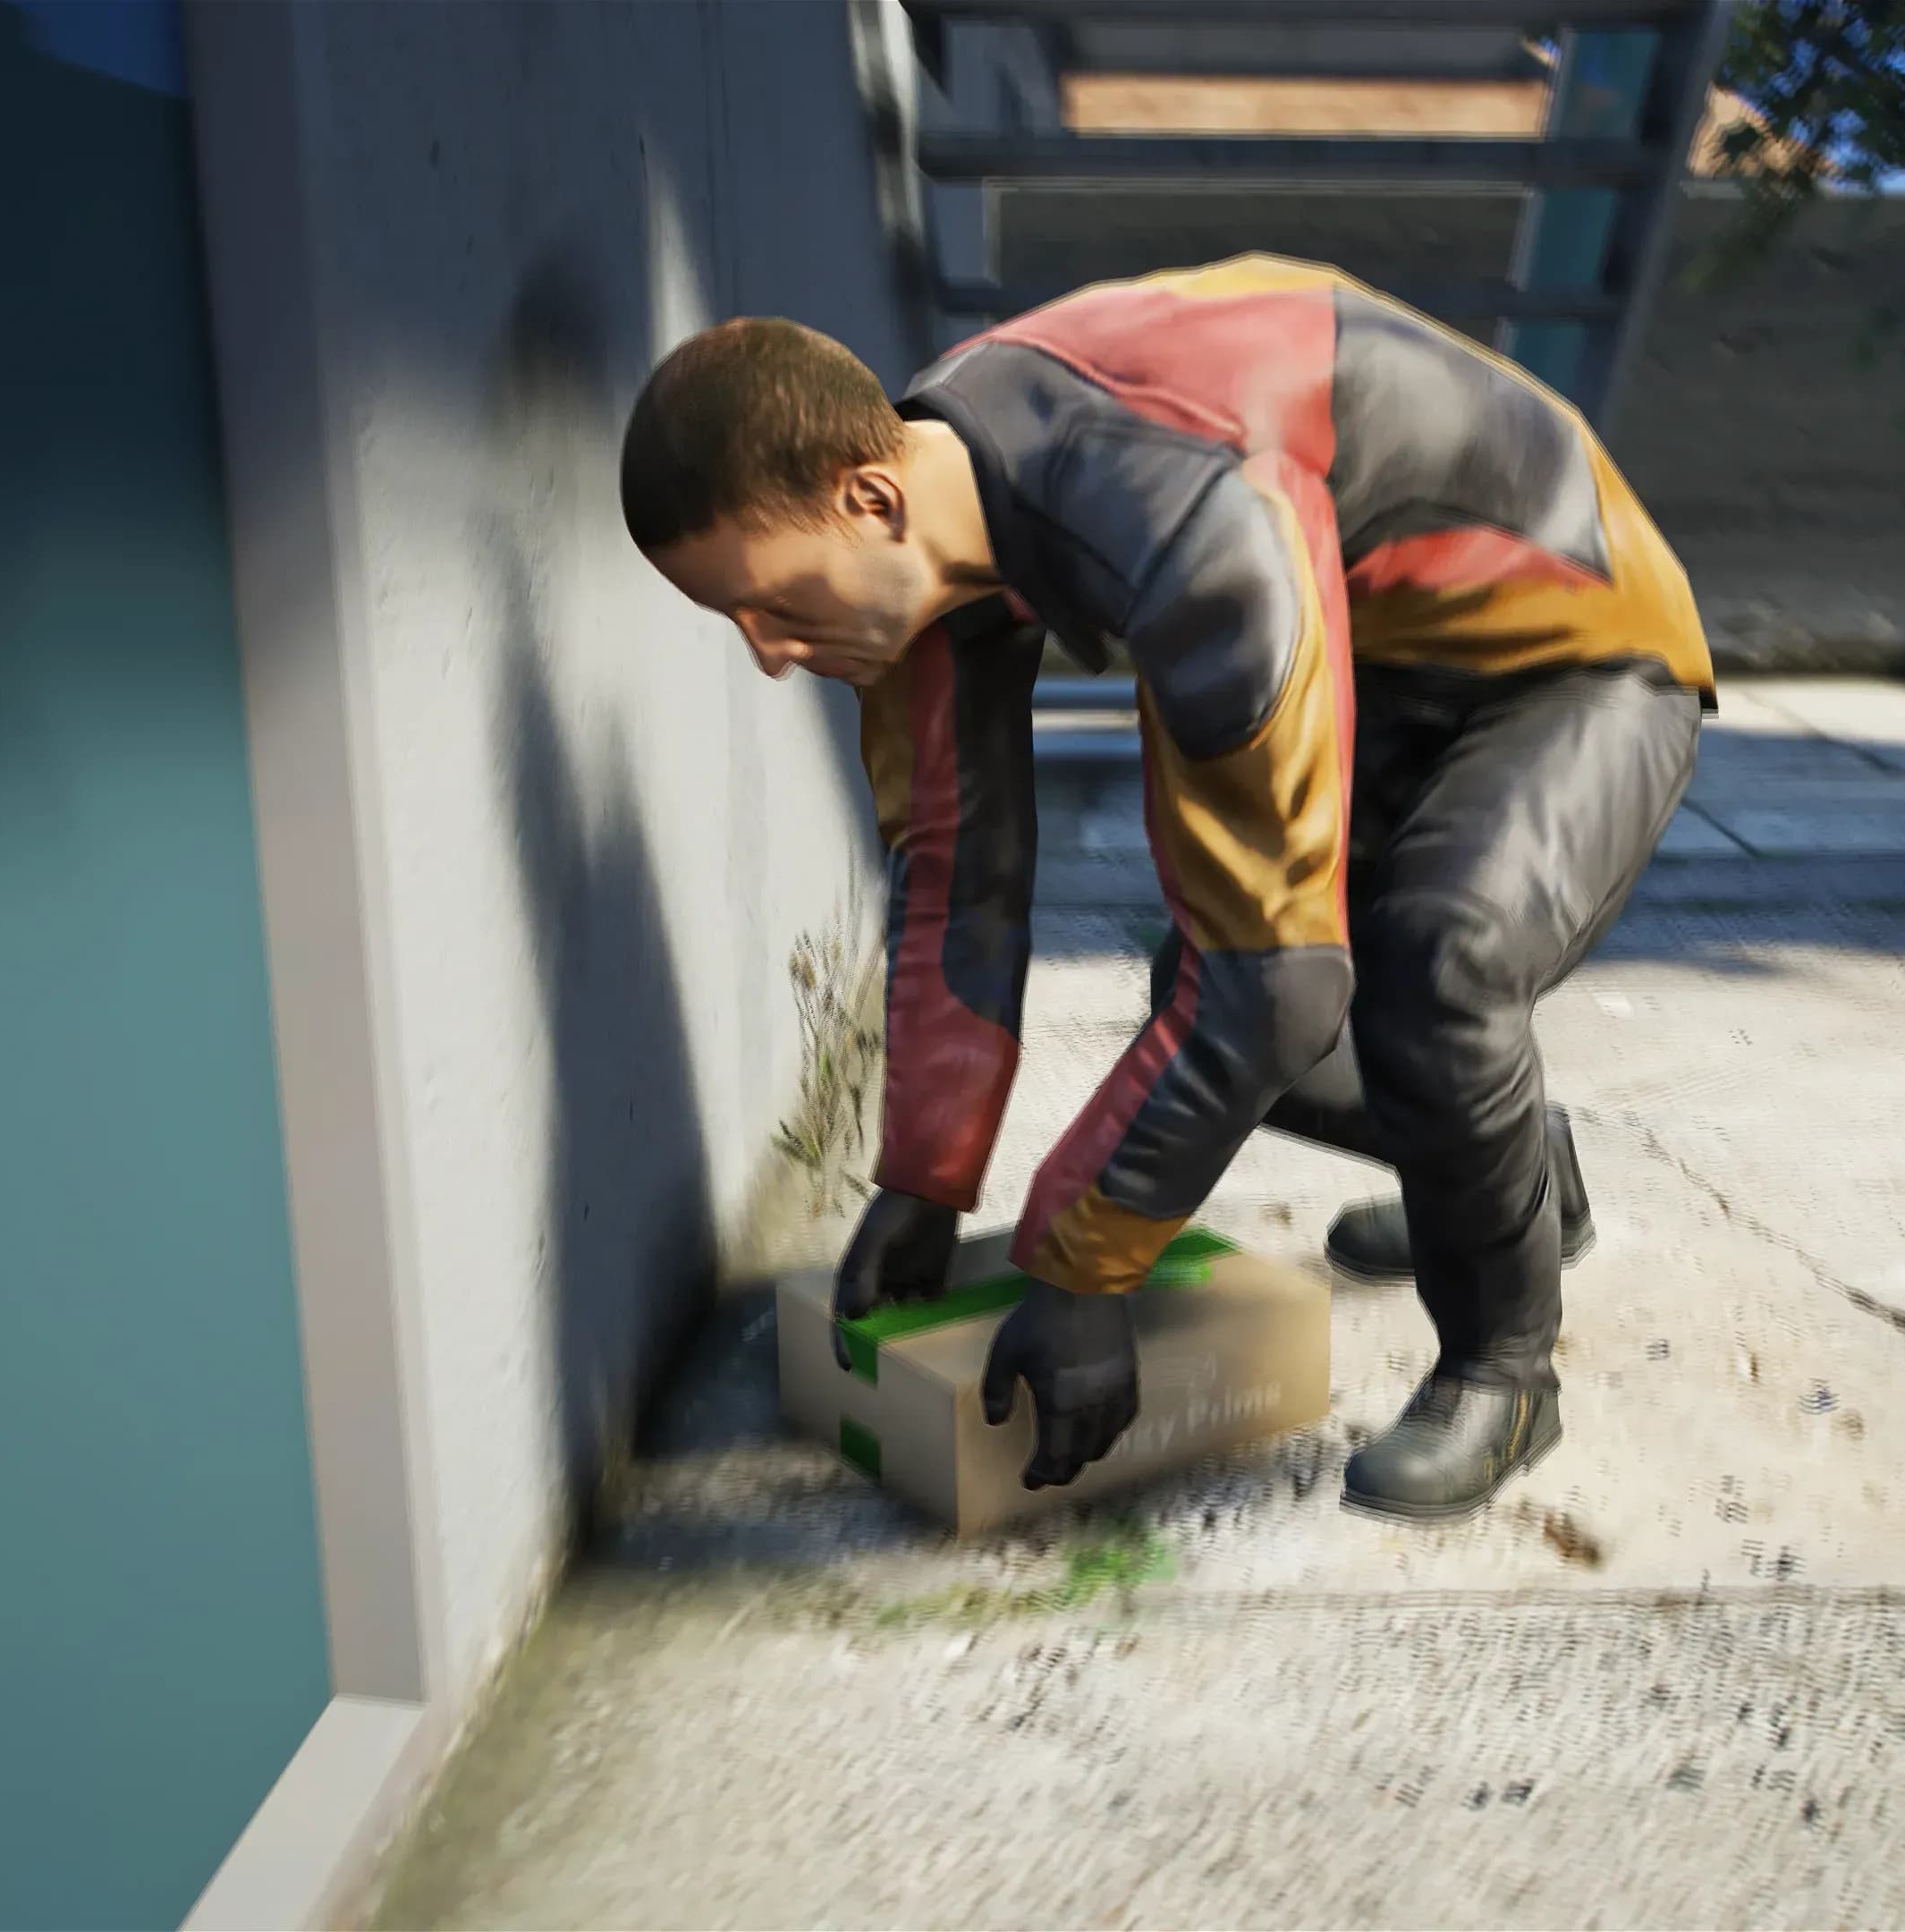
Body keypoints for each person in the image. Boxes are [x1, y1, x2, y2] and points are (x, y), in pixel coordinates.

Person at [619, 254, 1712, 1521]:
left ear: (868, 498)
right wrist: (922, 1179)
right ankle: (1514, 1171)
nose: (767, 656)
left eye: (769, 606)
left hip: (1583, 657)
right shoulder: (917, 514)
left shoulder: (1191, 515)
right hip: (1383, 644)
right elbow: (955, 884)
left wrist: (1086, 1269)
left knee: (1431, 967)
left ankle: (1505, 1369)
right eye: (736, 623)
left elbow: (1277, 979)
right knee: (1209, 995)